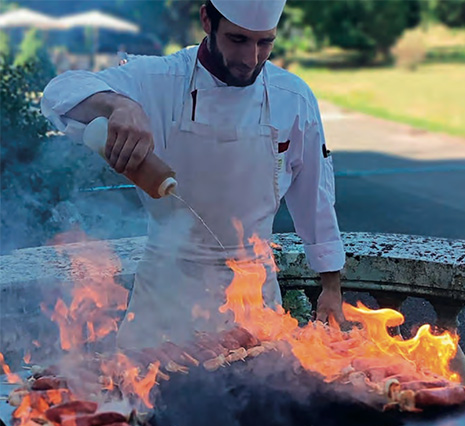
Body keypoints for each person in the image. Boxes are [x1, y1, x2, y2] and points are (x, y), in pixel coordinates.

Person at [41, 0, 345, 348]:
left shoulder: (293, 96)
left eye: (265, 43)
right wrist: (119, 105)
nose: (251, 59)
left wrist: (331, 287)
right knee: (146, 392)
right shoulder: (157, 79)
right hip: (165, 291)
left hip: (252, 291)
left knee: (259, 394)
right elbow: (58, 94)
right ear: (206, 20)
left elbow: (315, 198)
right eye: (238, 40)